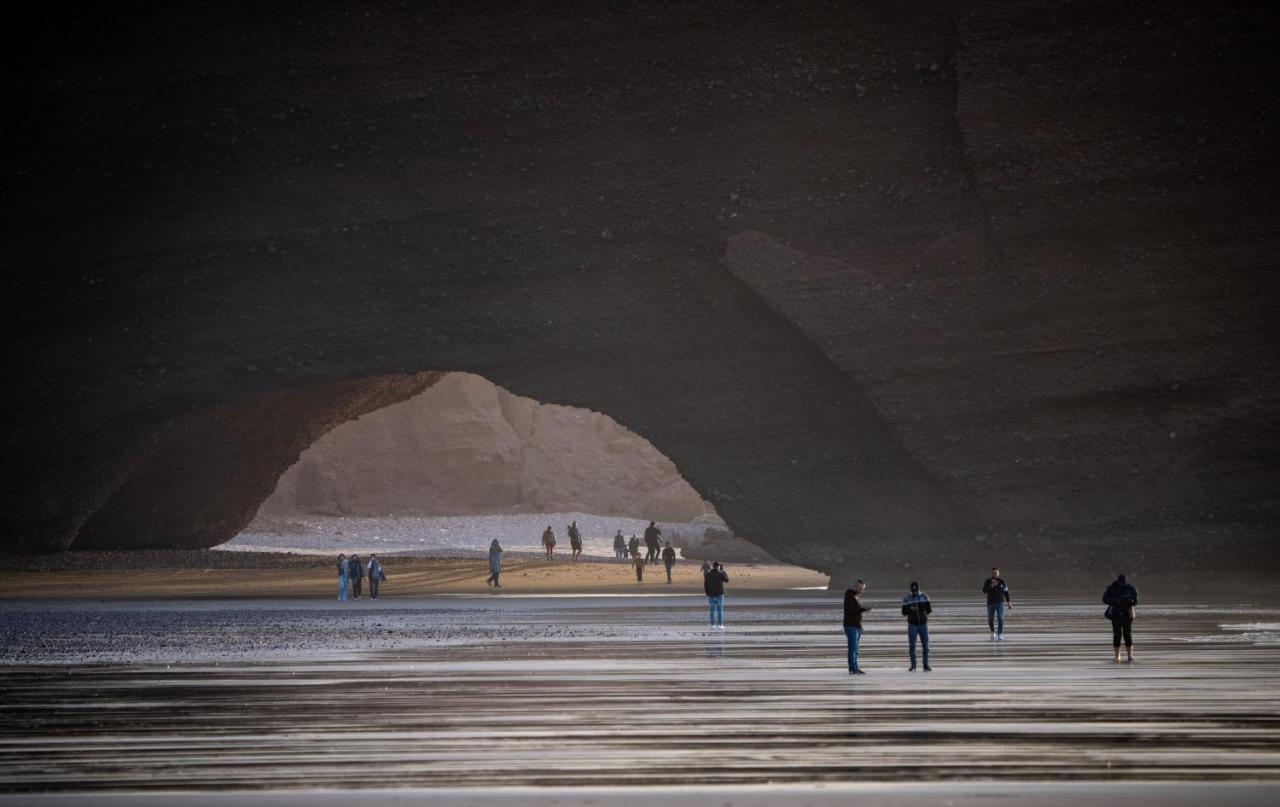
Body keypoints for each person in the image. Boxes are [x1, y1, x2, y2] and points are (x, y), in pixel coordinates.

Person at [1103, 574, 1139, 662]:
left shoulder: (1131, 588)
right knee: (1117, 634)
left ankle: (1130, 656)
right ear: (1118, 581)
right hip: (1115, 613)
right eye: (1120, 582)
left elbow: (1136, 600)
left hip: (1128, 614)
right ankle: (1117, 656)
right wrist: (1115, 601)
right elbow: (1104, 599)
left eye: (1123, 582)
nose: (1122, 584)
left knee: (1127, 634)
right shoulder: (1111, 588)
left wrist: (1130, 602)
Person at [844, 579, 873, 674]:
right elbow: (852, 610)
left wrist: (860, 626)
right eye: (861, 588)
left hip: (856, 625)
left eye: (863, 589)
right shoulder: (849, 596)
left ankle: (855, 667)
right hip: (850, 626)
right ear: (856, 587)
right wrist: (864, 609)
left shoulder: (855, 596)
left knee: (855, 649)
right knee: (852, 648)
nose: (862, 591)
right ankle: (852, 668)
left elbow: (856, 610)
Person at [902, 581, 932, 671]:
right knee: (912, 646)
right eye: (913, 591)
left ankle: (925, 665)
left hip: (923, 625)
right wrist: (911, 609)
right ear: (911, 590)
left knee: (926, 646)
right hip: (912, 625)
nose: (914, 592)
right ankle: (913, 665)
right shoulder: (907, 598)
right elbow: (903, 612)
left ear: (918, 589)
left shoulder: (924, 596)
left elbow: (929, 610)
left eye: (916, 590)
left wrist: (923, 614)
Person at [982, 567, 1012, 640]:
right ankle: (992, 632)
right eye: (993, 573)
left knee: (1001, 618)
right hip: (990, 603)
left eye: (996, 573)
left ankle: (1000, 634)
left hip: (1000, 603)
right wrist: (992, 586)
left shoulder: (1002, 581)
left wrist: (1009, 602)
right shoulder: (988, 581)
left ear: (998, 573)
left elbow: (1006, 592)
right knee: (990, 620)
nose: (994, 574)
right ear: (991, 573)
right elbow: (984, 591)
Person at [704, 561, 729, 629]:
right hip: (720, 594)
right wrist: (723, 571)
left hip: (711, 594)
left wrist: (707, 593)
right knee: (720, 610)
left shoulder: (708, 574)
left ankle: (712, 625)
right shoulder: (720, 574)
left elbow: (706, 585)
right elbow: (727, 580)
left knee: (712, 610)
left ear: (713, 566)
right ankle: (720, 625)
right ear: (718, 567)